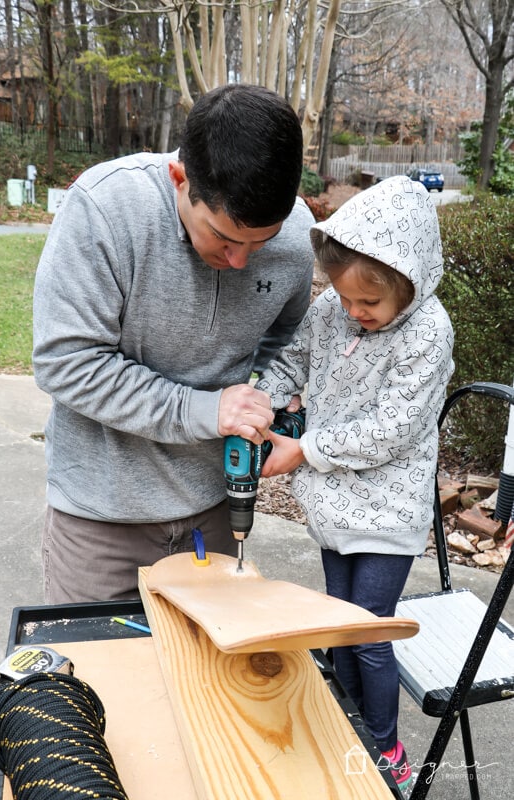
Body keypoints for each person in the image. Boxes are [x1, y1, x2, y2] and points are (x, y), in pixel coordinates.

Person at [32, 83, 314, 604]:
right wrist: (208, 410)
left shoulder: (295, 237)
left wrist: (274, 399)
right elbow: (67, 362)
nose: (241, 263)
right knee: (94, 682)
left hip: (216, 510)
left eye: (261, 243)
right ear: (179, 179)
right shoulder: (105, 209)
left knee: (208, 681)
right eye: (224, 238)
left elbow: (291, 343)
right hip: (100, 519)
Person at [256, 175, 454, 796]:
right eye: (345, 300)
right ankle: (347, 720)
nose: (352, 314)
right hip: (334, 498)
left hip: (388, 507)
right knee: (335, 620)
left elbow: (391, 430)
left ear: (410, 284)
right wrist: (261, 403)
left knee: (368, 627)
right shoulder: (334, 307)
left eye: (367, 305)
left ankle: (385, 747)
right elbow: (293, 359)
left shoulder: (427, 333)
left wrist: (304, 450)